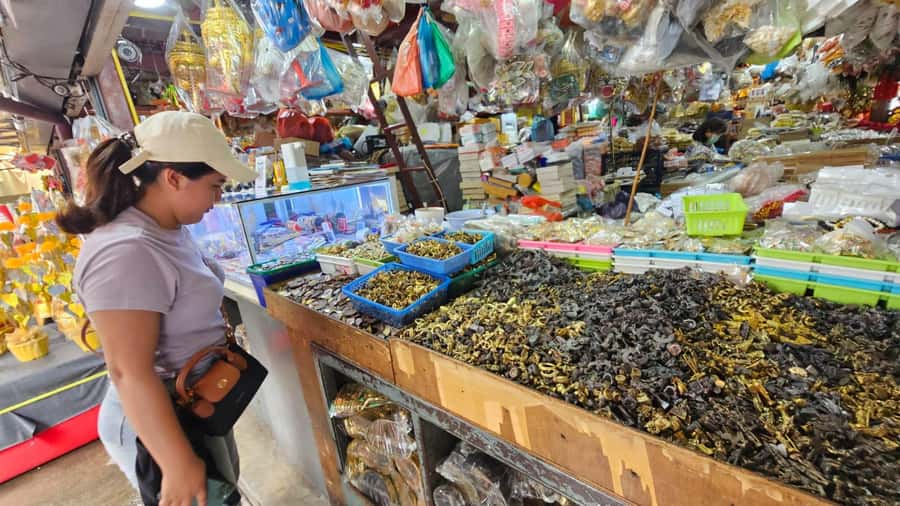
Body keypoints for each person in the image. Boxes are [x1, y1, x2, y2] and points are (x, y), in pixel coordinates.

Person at [56, 111, 257, 506]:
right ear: (173, 178)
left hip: (194, 402)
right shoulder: (126, 250)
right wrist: (177, 461)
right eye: (215, 186)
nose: (219, 199)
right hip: (161, 421)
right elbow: (128, 372)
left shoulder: (166, 227)